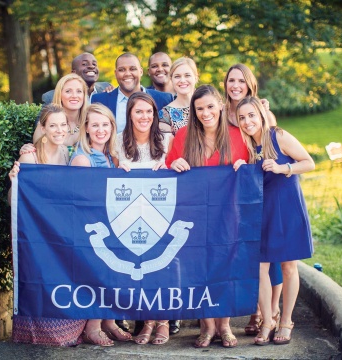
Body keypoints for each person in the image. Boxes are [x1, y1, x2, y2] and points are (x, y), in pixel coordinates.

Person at [166, 85, 249, 348]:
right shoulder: (182, 136)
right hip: (194, 214)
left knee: (224, 267)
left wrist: (245, 168)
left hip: (228, 214)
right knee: (199, 269)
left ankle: (224, 326)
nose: (205, 113)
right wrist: (173, 164)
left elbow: (252, 168)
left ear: (221, 106)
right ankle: (206, 326)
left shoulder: (238, 136)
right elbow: (169, 167)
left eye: (210, 106)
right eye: (199, 108)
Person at [233, 96, 315, 346]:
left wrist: (283, 168)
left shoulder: (278, 136)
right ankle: (267, 321)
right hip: (261, 211)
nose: (248, 122)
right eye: (242, 118)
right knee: (260, 268)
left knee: (289, 266)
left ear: (260, 114)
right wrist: (239, 165)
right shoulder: (245, 146)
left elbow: (308, 163)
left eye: (251, 116)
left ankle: (286, 321)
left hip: (287, 206)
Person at [9, 104, 85, 346]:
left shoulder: (67, 153)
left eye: (63, 125)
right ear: (42, 128)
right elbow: (17, 200)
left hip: (59, 228)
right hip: (34, 230)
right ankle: (36, 333)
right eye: (53, 125)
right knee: (38, 277)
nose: (59, 130)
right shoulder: (30, 155)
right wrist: (14, 182)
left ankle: (65, 330)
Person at [222, 63, 283, 335]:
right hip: (236, 181)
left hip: (264, 183)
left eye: (241, 81)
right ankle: (256, 308)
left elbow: (273, 146)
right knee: (249, 252)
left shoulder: (260, 110)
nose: (235, 85)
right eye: (231, 80)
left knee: (270, 250)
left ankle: (268, 310)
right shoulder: (222, 111)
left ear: (250, 84)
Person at [68, 103, 133, 346]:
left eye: (105, 124)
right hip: (90, 227)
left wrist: (121, 171)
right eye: (95, 125)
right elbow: (85, 199)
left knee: (114, 273)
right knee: (99, 273)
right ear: (86, 128)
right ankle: (92, 327)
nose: (100, 129)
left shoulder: (110, 156)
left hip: (110, 224)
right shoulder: (83, 159)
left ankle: (108, 322)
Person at [112, 92, 172, 345]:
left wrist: (169, 165)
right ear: (130, 115)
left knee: (163, 266)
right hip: (129, 213)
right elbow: (108, 174)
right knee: (141, 266)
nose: (144, 116)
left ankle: (164, 322)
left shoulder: (167, 139)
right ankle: (147, 321)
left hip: (162, 210)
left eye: (149, 112)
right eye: (139, 111)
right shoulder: (117, 141)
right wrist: (117, 169)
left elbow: (181, 167)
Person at [91, 53, 173, 133]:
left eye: (132, 69)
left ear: (140, 71)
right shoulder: (100, 100)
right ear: (115, 73)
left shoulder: (164, 99)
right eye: (122, 70)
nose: (127, 74)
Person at [41, 52, 113, 103]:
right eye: (84, 64)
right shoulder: (52, 97)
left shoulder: (106, 88)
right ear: (73, 73)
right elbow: (41, 124)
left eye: (94, 64)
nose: (91, 66)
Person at [160, 57, 199, 135]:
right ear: (171, 80)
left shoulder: (209, 106)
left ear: (196, 77)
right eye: (177, 76)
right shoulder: (165, 115)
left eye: (187, 75)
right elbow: (166, 146)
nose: (182, 80)